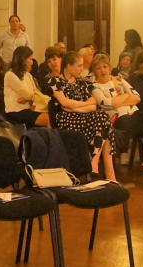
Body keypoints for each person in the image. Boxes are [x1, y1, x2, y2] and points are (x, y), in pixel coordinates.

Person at [92, 53, 143, 182]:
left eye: (105, 66)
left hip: (135, 115)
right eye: (98, 68)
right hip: (119, 118)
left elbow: (137, 97)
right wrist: (126, 96)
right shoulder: (94, 86)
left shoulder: (119, 80)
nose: (103, 70)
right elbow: (105, 103)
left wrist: (117, 100)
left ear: (110, 67)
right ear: (94, 71)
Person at [48, 51, 117, 180]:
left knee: (103, 117)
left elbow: (93, 105)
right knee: (106, 128)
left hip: (82, 117)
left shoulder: (82, 83)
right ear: (69, 66)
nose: (82, 68)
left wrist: (76, 108)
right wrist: (84, 104)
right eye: (79, 65)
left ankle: (95, 162)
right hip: (66, 119)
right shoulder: (55, 81)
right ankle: (107, 173)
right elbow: (64, 102)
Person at [4, 46, 50, 128]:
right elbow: (27, 94)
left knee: (53, 117)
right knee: (48, 120)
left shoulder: (28, 75)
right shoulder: (10, 75)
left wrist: (27, 99)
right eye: (30, 59)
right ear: (22, 60)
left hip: (29, 108)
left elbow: (36, 92)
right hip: (16, 111)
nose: (32, 62)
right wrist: (29, 98)